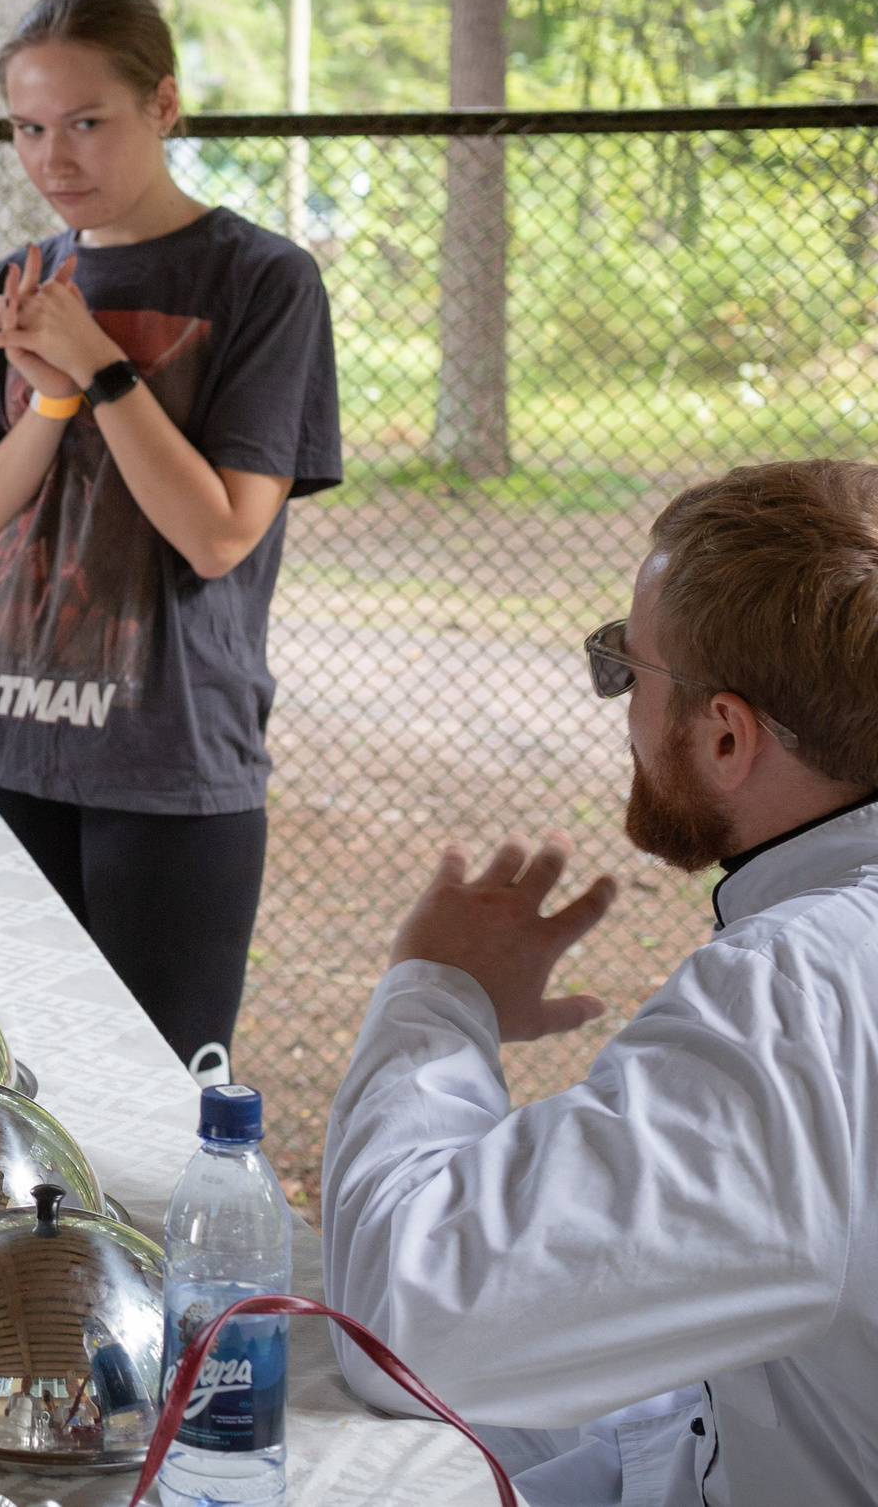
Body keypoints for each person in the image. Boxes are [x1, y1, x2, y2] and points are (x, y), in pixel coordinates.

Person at [322, 460, 878, 1507]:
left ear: (725, 735)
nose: (619, 709)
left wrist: (439, 999)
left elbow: (404, 1319)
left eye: (626, 672)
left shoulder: (806, 992)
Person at [0, 0, 341, 1073]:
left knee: (151, 1096)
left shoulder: (262, 281)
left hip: (162, 757)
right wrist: (52, 401)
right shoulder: (19, 278)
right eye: (27, 127)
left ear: (162, 106)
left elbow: (216, 537)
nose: (53, 156)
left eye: (85, 122)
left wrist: (100, 367)